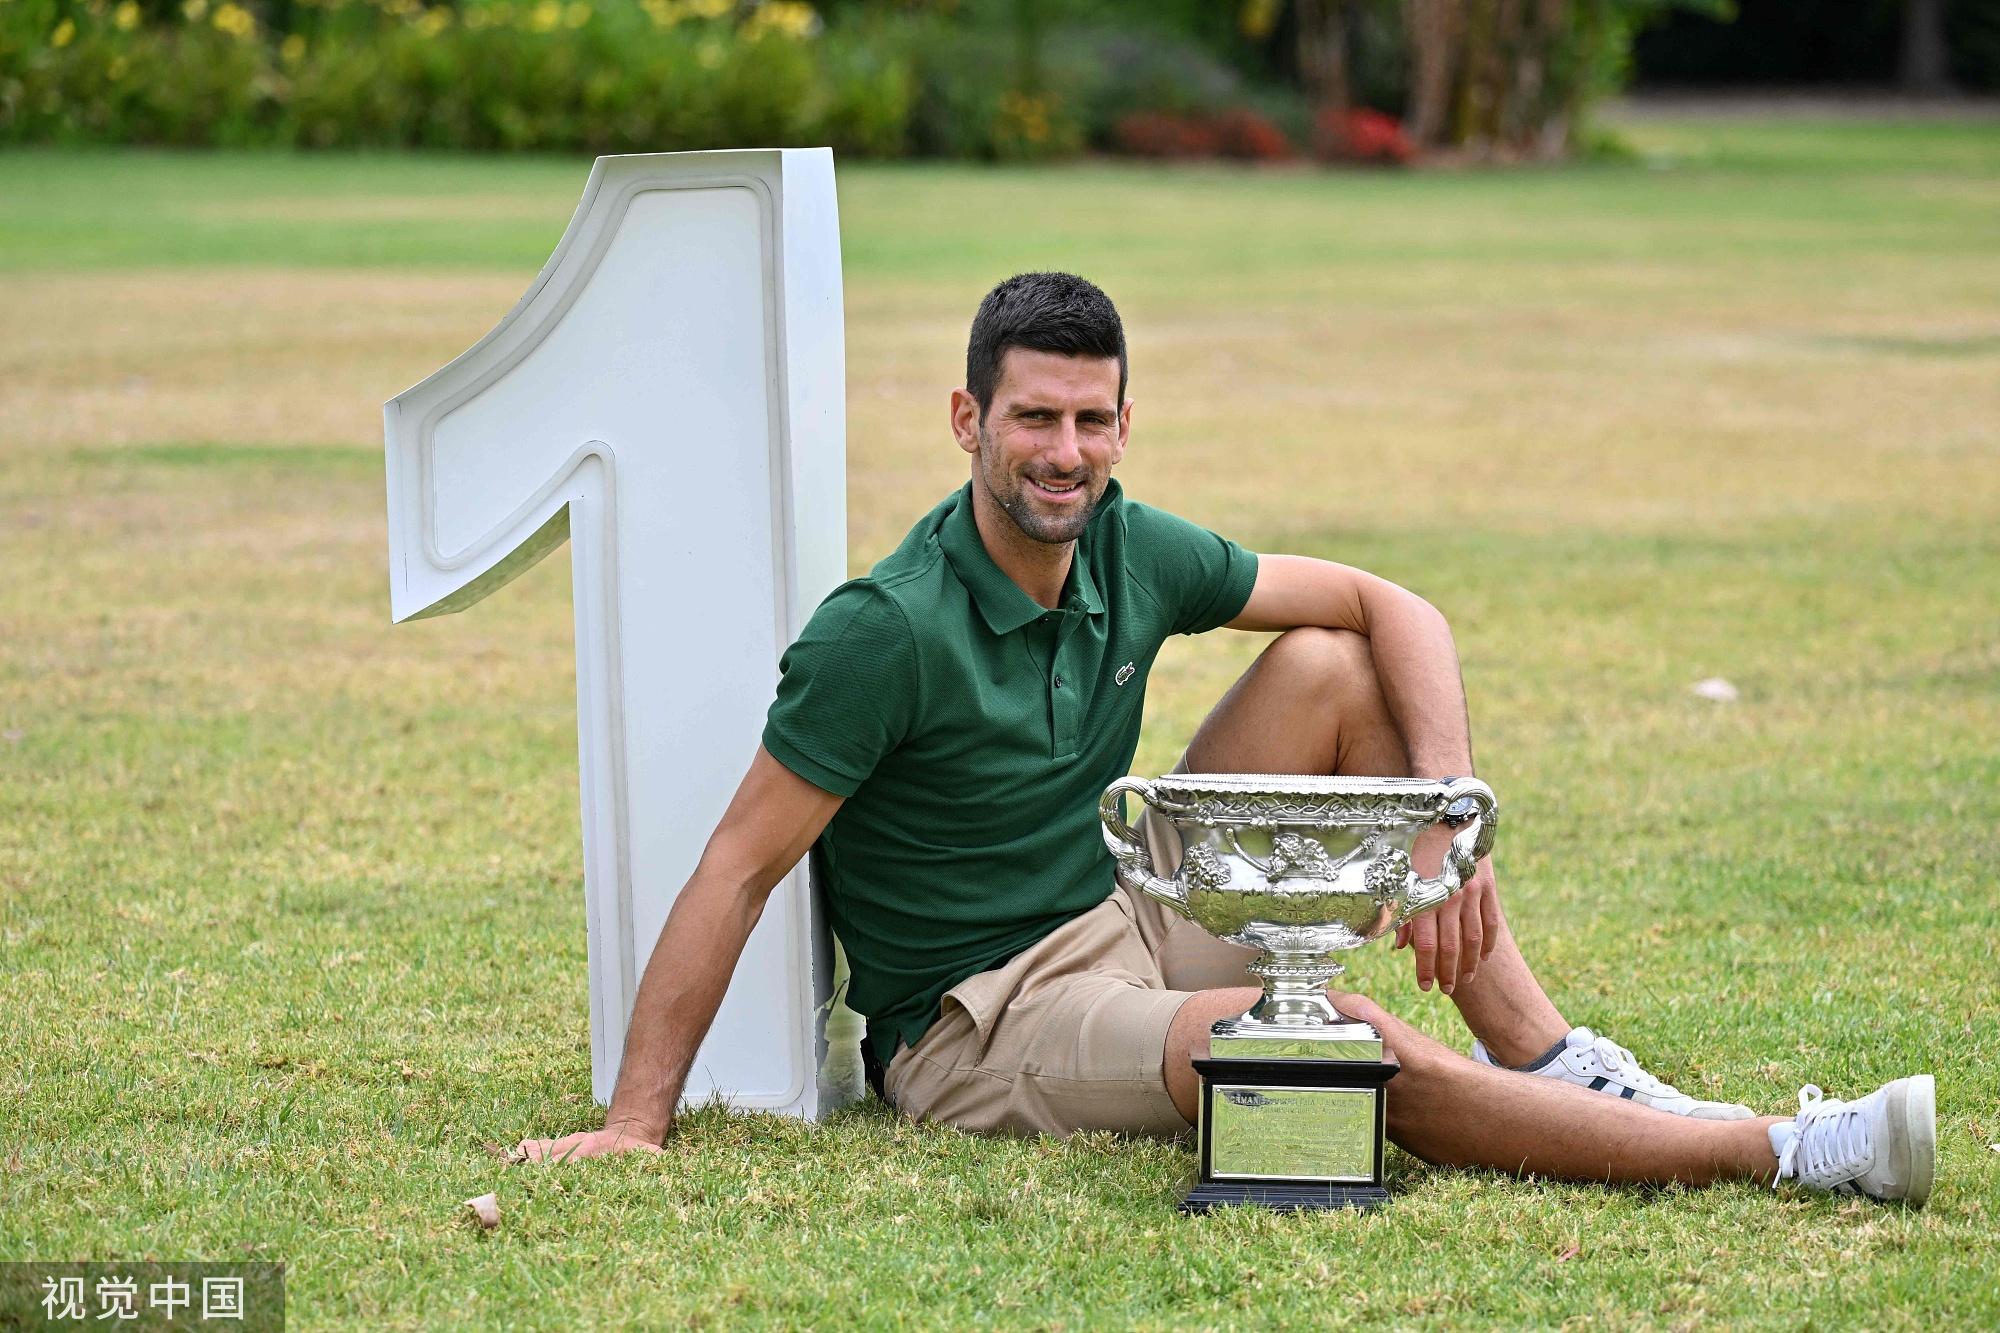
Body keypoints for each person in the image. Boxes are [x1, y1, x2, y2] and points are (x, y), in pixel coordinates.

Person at [517, 272, 1934, 1206]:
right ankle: (1786, 1148)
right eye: (1030, 418)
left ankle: (1555, 1054)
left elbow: (1394, 605)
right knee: (1334, 1043)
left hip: (1128, 901)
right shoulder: (883, 630)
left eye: (1089, 419)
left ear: (1124, 423)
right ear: (967, 421)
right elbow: (736, 865)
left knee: (1330, 661)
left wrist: (1451, 811)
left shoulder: (1130, 543)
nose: (1062, 451)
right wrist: (642, 1117)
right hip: (987, 1018)